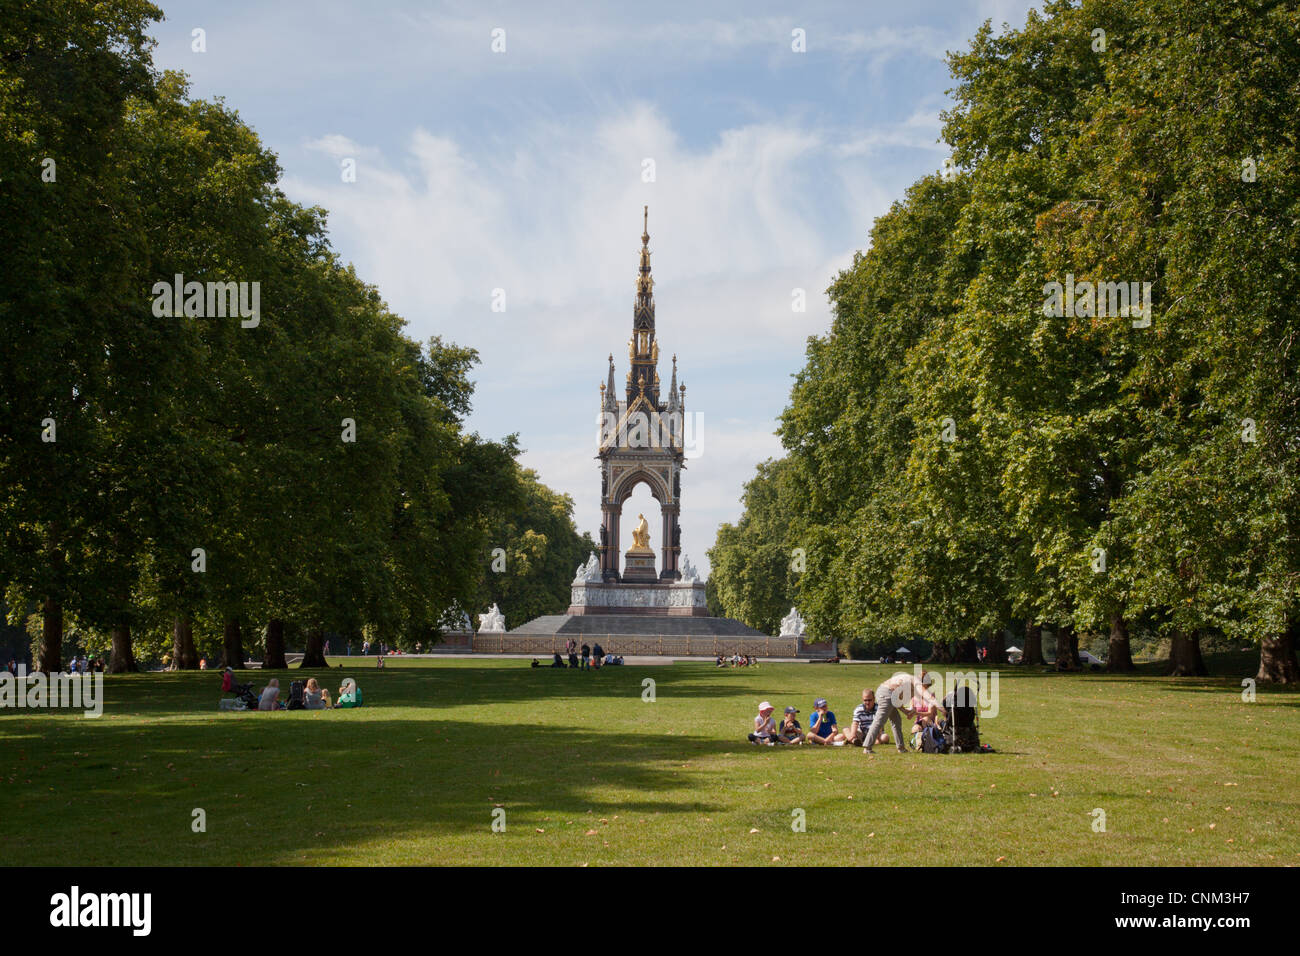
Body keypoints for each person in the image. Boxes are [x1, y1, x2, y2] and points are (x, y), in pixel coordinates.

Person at [863, 670, 944, 756]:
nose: (925, 689)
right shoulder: (915, 682)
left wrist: (905, 711)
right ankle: (867, 747)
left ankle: (901, 748)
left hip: (887, 694)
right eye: (925, 686)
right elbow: (929, 697)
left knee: (896, 721)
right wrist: (943, 710)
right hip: (885, 694)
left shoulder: (912, 684)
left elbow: (895, 699)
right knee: (879, 721)